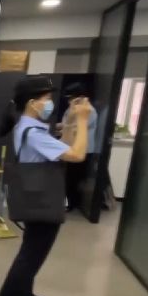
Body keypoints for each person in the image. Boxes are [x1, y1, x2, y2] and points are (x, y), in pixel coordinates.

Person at [0, 76, 93, 296]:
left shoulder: (30, 126)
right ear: (32, 103)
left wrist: (71, 122)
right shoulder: (33, 132)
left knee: (33, 249)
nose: (50, 103)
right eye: (46, 98)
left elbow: (62, 146)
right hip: (41, 199)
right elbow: (77, 154)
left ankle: (24, 291)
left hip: (37, 195)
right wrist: (83, 121)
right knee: (32, 254)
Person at [59, 82, 98, 211]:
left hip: (83, 150)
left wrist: (65, 128)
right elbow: (66, 123)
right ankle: (67, 201)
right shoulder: (71, 108)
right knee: (69, 177)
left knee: (74, 178)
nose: (69, 100)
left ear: (80, 97)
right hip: (71, 147)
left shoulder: (89, 111)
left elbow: (78, 127)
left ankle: (72, 204)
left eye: (71, 97)